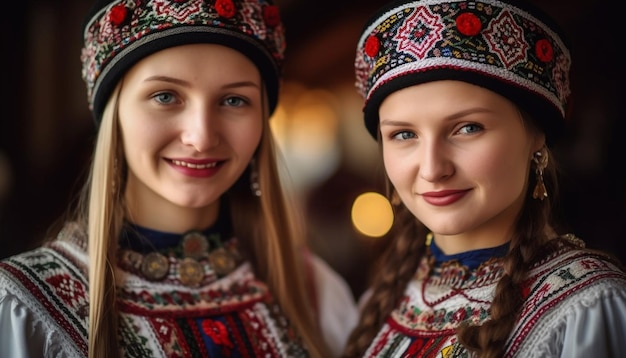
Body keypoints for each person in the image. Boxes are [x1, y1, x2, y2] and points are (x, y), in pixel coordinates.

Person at [0, 0, 358, 357]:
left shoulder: (312, 293)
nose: (201, 137)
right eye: (165, 96)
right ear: (115, 116)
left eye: (234, 100)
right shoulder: (29, 306)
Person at [343, 0, 626, 357]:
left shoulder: (588, 309)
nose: (432, 169)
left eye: (467, 128)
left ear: (536, 136)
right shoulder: (383, 300)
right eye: (404, 135)